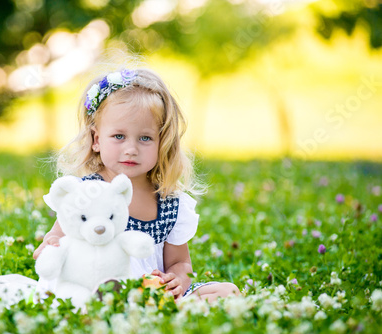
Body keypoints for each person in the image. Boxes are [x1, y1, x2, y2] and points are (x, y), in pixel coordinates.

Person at [33, 68, 240, 302]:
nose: (131, 149)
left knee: (227, 291)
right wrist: (51, 246)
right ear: (96, 139)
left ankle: (169, 310)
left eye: (145, 138)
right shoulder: (86, 194)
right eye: (119, 136)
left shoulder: (169, 202)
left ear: (162, 142)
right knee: (91, 296)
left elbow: (180, 262)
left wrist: (177, 279)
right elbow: (57, 237)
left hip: (153, 293)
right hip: (99, 288)